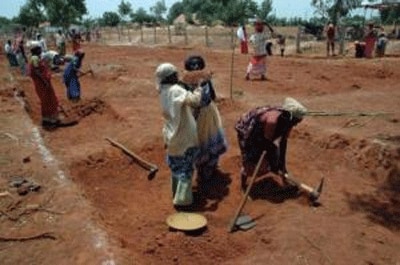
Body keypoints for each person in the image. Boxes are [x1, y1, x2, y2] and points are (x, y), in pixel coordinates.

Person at [155, 62, 212, 207]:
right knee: (186, 170)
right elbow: (196, 101)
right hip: (184, 137)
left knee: (176, 168)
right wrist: (202, 85)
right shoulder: (175, 90)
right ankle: (183, 201)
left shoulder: (162, 91)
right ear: (170, 77)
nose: (177, 76)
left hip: (171, 136)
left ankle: (176, 193)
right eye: (175, 74)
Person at [235, 97, 308, 191]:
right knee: (252, 161)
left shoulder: (288, 122)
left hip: (263, 136)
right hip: (249, 133)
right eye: (296, 121)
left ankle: (282, 178)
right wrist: (274, 165)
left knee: (274, 161)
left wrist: (282, 165)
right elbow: (266, 144)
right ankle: (243, 185)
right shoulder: (272, 121)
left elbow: (283, 142)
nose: (296, 124)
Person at [180, 55, 228, 184]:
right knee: (200, 140)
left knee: (203, 139)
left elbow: (212, 95)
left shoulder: (193, 80)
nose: (195, 67)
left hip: (202, 113)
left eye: (197, 65)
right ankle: (203, 167)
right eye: (193, 65)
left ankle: (205, 167)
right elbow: (210, 96)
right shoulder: (191, 81)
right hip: (197, 113)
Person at [28, 44, 60, 129]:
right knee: (48, 100)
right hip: (42, 84)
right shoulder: (35, 58)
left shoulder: (37, 58)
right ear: (36, 51)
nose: (41, 50)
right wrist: (44, 81)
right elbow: (37, 71)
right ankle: (51, 120)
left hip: (44, 83)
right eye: (39, 49)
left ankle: (48, 119)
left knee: (48, 100)